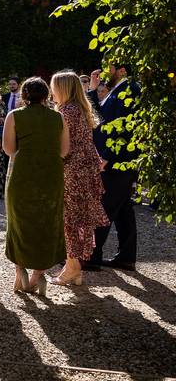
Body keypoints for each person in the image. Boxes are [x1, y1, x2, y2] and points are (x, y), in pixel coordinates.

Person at [2, 77, 70, 296]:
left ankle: (20, 269)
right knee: (47, 224)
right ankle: (37, 276)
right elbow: (64, 151)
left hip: (23, 174)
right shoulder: (58, 117)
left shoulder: (14, 116)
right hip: (51, 175)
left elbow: (9, 149)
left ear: (24, 95)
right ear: (46, 96)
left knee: (19, 222)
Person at [50, 71, 108, 286]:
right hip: (85, 170)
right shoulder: (81, 109)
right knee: (78, 218)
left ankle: (72, 267)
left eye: (54, 87)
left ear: (63, 89)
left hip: (72, 171)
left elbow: (62, 147)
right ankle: (73, 267)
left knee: (70, 220)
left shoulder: (66, 111)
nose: (51, 91)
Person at [87, 63, 140, 271]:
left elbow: (124, 128)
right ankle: (126, 257)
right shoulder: (117, 90)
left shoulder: (129, 90)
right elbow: (101, 118)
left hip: (118, 161)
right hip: (117, 160)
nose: (105, 72)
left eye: (110, 67)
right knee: (123, 209)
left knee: (104, 206)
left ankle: (91, 255)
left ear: (122, 70)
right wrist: (92, 90)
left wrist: (107, 157)